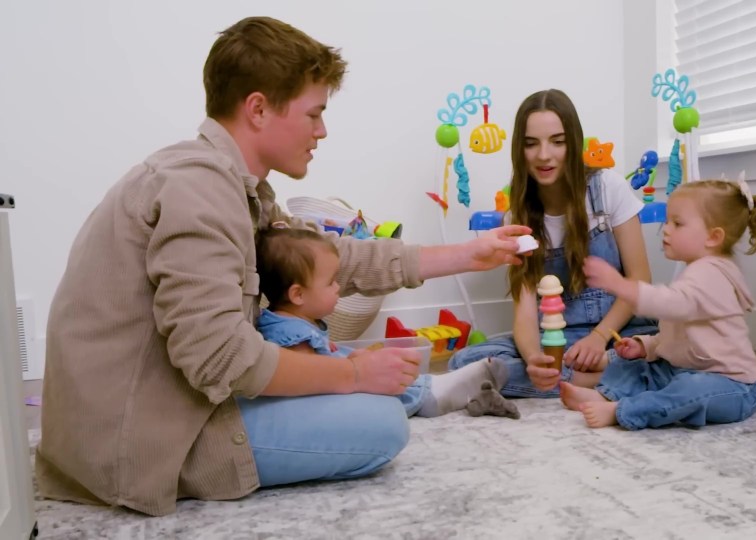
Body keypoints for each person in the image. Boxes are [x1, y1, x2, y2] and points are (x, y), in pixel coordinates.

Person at [36, 16, 530, 517]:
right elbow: (218, 357)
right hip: (144, 439)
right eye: (313, 114)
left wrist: (469, 253)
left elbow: (331, 259)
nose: (322, 130)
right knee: (381, 424)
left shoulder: (231, 186)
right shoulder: (200, 190)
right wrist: (353, 373)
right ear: (258, 109)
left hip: (167, 406)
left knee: (369, 394)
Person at [448, 89, 658, 398]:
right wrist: (534, 359)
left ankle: (590, 376)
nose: (544, 155)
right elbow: (524, 311)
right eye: (531, 144)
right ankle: (592, 380)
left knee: (660, 349)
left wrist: (598, 338)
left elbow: (640, 281)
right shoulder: (517, 216)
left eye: (557, 142)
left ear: (572, 143)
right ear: (519, 150)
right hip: (556, 338)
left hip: (618, 331)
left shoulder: (607, 187)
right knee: (463, 361)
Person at [248, 225, 512, 429]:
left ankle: (434, 386)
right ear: (298, 295)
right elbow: (309, 383)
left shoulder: (297, 321)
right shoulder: (291, 334)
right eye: (331, 282)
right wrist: (352, 367)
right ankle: (428, 395)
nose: (338, 286)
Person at [560, 178, 756, 430]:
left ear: (713, 237)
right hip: (687, 367)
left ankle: (622, 411)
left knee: (689, 391)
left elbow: (671, 304)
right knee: (640, 367)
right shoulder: (695, 271)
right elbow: (679, 336)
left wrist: (620, 285)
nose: (666, 229)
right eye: (668, 220)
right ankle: (604, 394)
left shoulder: (713, 274)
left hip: (733, 386)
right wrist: (645, 346)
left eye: (677, 223)